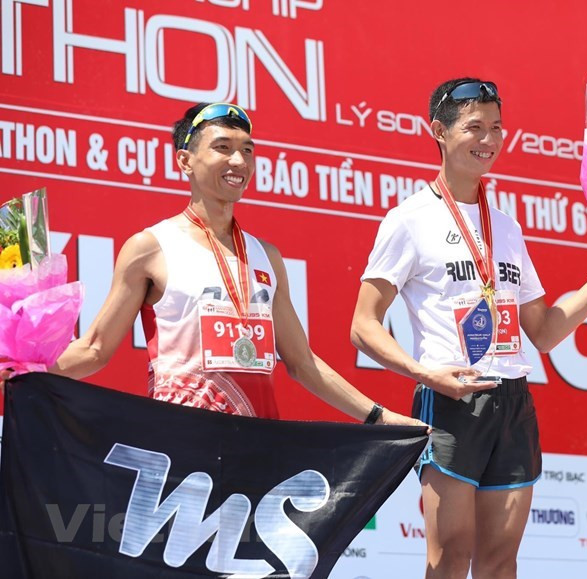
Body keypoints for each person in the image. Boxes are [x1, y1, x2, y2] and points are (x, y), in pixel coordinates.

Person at [350, 78, 587, 578]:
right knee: (449, 558)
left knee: (499, 562)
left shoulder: (506, 227)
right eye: (474, 127)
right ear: (439, 132)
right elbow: (364, 326)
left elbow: (546, 331)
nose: (488, 138)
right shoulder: (409, 219)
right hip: (451, 398)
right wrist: (427, 375)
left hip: (512, 398)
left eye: (496, 127)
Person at [47, 102, 423, 428]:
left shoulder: (267, 256)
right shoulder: (150, 248)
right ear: (185, 160)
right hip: (181, 444)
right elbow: (95, 348)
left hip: (258, 448)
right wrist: (23, 369)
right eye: (222, 148)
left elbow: (302, 363)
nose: (238, 161)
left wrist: (380, 417)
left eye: (247, 150)